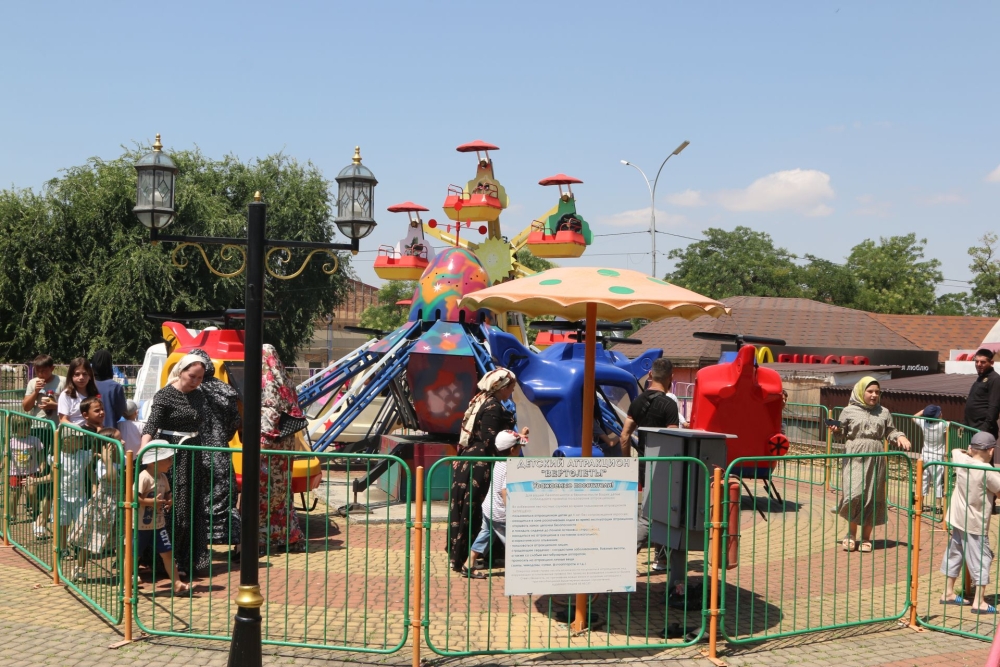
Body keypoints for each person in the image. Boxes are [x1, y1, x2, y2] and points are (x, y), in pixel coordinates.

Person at [449, 368, 526, 578]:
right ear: (501, 387)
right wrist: (514, 446)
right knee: (477, 512)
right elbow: (491, 440)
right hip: (480, 466)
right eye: (511, 387)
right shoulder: (493, 406)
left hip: (472, 460)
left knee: (481, 518)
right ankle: (469, 558)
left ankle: (473, 556)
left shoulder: (481, 400)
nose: (512, 391)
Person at [141, 354, 208, 577]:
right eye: (192, 376)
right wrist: (143, 450)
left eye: (199, 377)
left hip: (194, 452)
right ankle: (165, 561)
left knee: (191, 505)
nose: (195, 381)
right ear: (181, 371)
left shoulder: (199, 395)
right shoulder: (165, 394)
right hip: (172, 453)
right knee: (174, 506)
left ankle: (189, 559)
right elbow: (152, 424)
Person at [619, 358, 682, 589]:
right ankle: (625, 560)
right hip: (665, 467)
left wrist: (627, 464)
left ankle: (662, 559)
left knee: (656, 514)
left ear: (650, 376)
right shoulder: (669, 405)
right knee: (652, 517)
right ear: (671, 378)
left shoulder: (637, 402)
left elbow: (624, 436)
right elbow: (673, 439)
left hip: (644, 465)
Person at [829, 377, 911, 552]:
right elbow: (841, 434)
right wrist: (836, 430)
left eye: (877, 392)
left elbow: (891, 431)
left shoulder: (884, 412)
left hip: (876, 456)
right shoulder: (848, 411)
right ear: (861, 392)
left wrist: (900, 437)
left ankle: (866, 538)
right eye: (870, 391)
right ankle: (851, 534)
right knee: (854, 494)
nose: (874, 395)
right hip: (854, 454)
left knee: (872, 497)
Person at [188, 349, 242, 555]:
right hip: (220, 452)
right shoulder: (226, 390)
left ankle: (200, 546)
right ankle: (239, 545)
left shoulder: (191, 390)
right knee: (226, 501)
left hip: (196, 451)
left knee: (198, 501)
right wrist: (223, 437)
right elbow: (235, 421)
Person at [939, 431, 1000, 614]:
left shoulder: (961, 459)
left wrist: (967, 452)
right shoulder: (988, 471)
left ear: (971, 448)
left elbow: (955, 450)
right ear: (991, 450)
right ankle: (979, 602)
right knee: (982, 558)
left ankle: (948, 592)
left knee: (955, 552)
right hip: (975, 523)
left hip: (957, 518)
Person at [259, 344, 308, 554]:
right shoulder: (285, 381)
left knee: (262, 494)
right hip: (285, 445)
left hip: (269, 445)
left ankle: (260, 540)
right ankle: (289, 536)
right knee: (282, 494)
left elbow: (270, 410)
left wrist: (262, 441)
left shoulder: (267, 380)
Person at [68, 427, 121, 582]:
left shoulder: (123, 458)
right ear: (108, 446)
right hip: (103, 507)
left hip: (119, 505)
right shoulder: (102, 464)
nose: (123, 442)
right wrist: (107, 459)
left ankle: (125, 571)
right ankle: (80, 568)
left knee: (122, 539)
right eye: (119, 440)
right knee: (89, 538)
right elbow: (112, 478)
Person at [468, 429, 525, 575]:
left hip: (489, 507)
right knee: (513, 542)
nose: (521, 448)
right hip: (500, 513)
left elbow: (514, 443)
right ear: (512, 450)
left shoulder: (500, 460)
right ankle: (521, 572)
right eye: (519, 446)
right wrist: (511, 511)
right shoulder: (510, 466)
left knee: (485, 535)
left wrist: (522, 434)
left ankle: (468, 564)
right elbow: (504, 490)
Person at [137, 444, 189, 595]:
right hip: (140, 526)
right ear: (154, 461)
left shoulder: (163, 477)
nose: (171, 462)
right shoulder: (144, 477)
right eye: (167, 459)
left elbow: (168, 493)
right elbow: (135, 497)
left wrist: (169, 500)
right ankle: (127, 583)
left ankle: (177, 583)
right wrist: (151, 502)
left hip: (159, 525)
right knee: (134, 555)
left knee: (168, 553)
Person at [6, 416, 44, 530]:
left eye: (27, 427)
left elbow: (41, 453)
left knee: (32, 492)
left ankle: (36, 511)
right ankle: (12, 514)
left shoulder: (34, 440)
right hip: (15, 472)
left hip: (31, 471)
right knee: (14, 495)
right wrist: (2, 466)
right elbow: (6, 457)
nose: (25, 430)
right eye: (22, 427)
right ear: (14, 428)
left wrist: (42, 463)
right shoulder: (11, 442)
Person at [913, 405, 947, 510]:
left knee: (924, 480)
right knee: (938, 481)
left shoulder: (924, 423)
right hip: (938, 457)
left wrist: (923, 411)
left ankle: (920, 504)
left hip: (925, 456)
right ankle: (938, 505)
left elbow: (914, 417)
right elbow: (952, 425)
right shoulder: (942, 424)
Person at [965, 348, 1000, 439]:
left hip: (982, 431)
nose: (979, 364)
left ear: (991, 363)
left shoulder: (995, 379)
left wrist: (983, 429)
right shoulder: (981, 378)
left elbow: (994, 407)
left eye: (983, 362)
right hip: (971, 428)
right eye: (976, 361)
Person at [91, 350, 128, 428]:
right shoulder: (116, 387)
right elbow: (121, 410)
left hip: (89, 429)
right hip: (109, 428)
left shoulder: (88, 384)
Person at [58, 358, 99, 426]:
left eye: (85, 374)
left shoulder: (94, 393)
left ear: (90, 376)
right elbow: (63, 420)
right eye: (77, 374)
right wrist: (80, 430)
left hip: (91, 430)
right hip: (72, 431)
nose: (81, 377)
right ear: (71, 376)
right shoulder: (66, 395)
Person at [22, 355, 64, 421]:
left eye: (43, 371)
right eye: (37, 371)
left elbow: (72, 406)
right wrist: (36, 392)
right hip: (38, 424)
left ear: (52, 368)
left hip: (56, 424)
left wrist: (56, 406)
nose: (40, 374)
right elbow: (26, 408)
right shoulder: (32, 382)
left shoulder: (63, 381)